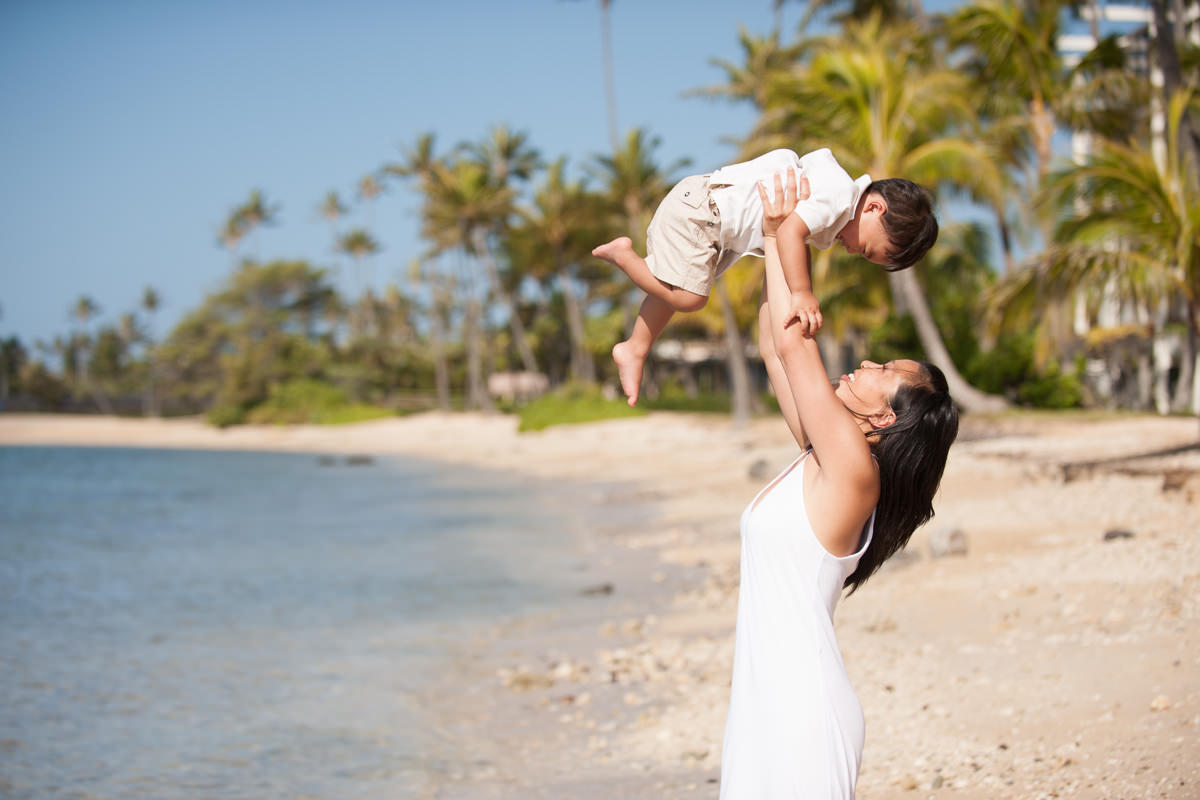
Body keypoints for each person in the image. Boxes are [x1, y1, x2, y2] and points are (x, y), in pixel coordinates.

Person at [717, 170, 957, 799]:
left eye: (883, 370)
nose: (868, 363)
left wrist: (780, 234)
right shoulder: (822, 459)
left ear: (885, 418)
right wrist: (773, 238)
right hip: (763, 700)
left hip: (801, 709)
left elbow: (798, 351)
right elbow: (776, 350)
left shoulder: (854, 471)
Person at [592, 147, 937, 406]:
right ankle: (624, 256)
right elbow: (788, 233)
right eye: (865, 249)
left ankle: (634, 348)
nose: (852, 251)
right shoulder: (837, 197)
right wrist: (802, 293)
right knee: (689, 298)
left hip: (716, 226)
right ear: (875, 207)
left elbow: (810, 164)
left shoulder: (833, 194)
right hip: (704, 213)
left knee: (673, 291)